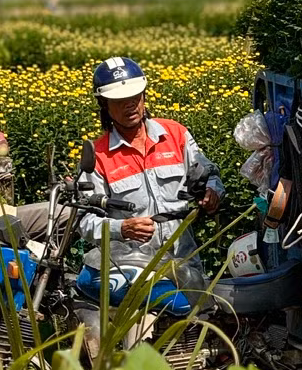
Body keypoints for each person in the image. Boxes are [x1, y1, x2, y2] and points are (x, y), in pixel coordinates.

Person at [73, 56, 226, 351]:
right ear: (104, 105)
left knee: (203, 341)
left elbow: (209, 173)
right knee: (142, 350)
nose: (129, 105)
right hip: (135, 275)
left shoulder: (176, 134)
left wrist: (212, 192)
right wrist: (122, 228)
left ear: (144, 96)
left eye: (134, 97)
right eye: (119, 100)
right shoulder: (99, 155)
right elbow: (86, 223)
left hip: (185, 264)